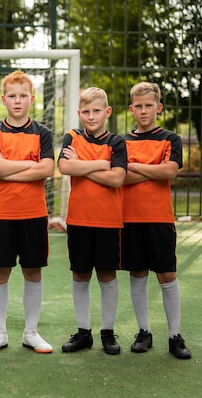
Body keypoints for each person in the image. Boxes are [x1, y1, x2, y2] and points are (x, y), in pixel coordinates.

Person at [0, 70, 54, 354]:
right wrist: (29, 166)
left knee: (33, 270)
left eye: (23, 96)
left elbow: (47, 169)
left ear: (32, 99)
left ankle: (31, 332)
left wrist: (11, 167)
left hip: (34, 213)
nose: (18, 101)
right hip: (2, 214)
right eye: (12, 96)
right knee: (0, 270)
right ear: (3, 99)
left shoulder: (43, 132)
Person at [122, 82, 191, 359]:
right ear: (131, 109)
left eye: (148, 105)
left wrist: (137, 167)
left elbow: (169, 173)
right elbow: (120, 176)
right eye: (138, 106)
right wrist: (154, 169)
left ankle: (175, 336)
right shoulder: (121, 141)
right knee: (137, 274)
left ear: (158, 107)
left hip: (159, 218)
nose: (143, 110)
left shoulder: (171, 139)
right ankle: (144, 332)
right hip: (129, 218)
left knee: (166, 274)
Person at [57, 87, 127, 355]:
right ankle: (84, 332)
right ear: (79, 113)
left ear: (107, 112)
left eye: (96, 111)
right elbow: (65, 168)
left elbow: (117, 179)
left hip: (109, 221)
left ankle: (108, 332)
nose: (91, 116)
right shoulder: (72, 137)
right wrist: (101, 163)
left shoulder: (117, 143)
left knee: (107, 275)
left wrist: (83, 164)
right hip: (79, 220)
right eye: (85, 111)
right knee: (80, 274)